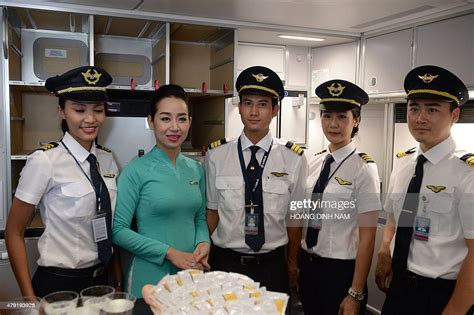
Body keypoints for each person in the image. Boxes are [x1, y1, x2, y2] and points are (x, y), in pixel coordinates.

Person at [5, 66, 121, 297]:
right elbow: (13, 232)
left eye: (98, 110)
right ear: (61, 111)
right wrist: (29, 299)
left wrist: (117, 282)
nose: (90, 119)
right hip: (58, 283)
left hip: (102, 281)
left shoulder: (107, 159)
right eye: (79, 110)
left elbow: (109, 225)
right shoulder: (45, 161)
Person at [375, 65, 474, 315]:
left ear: (454, 115)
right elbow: (395, 217)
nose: (420, 118)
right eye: (414, 108)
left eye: (432, 109)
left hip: (441, 294)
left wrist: (455, 310)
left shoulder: (467, 173)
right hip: (399, 287)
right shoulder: (404, 163)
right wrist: (385, 250)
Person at [204, 66, 307, 293]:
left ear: (275, 110)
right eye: (248, 103)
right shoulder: (216, 155)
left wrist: (292, 263)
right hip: (226, 264)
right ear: (239, 107)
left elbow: (295, 218)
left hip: (272, 267)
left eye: (262, 104)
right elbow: (211, 213)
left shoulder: (294, 159)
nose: (254, 111)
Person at [112, 84, 210, 299]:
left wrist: (203, 243)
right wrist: (170, 253)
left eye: (182, 118)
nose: (174, 127)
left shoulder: (196, 169)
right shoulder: (134, 171)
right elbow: (118, 230)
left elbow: (199, 218)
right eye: (165, 118)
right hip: (149, 278)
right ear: (151, 121)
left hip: (191, 274)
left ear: (189, 122)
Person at [298, 80, 381, 315]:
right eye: (327, 116)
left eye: (342, 117)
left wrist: (355, 292)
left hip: (340, 271)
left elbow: (367, 238)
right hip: (309, 265)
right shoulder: (313, 161)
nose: (333, 124)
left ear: (356, 120)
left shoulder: (364, 168)